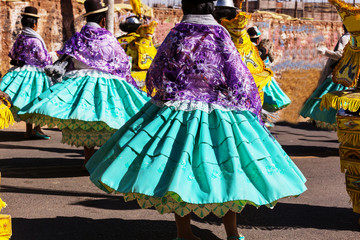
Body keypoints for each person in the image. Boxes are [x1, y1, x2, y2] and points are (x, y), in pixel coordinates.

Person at [86, 0, 307, 239]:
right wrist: (246, 104)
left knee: (178, 171)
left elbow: (156, 72)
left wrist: (168, 92)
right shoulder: (219, 33)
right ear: (210, 8)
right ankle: (232, 233)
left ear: (184, 7)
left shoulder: (176, 33)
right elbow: (237, 74)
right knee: (228, 168)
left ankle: (184, 232)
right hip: (219, 109)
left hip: (177, 109)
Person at [18, 0, 149, 164]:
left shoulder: (77, 39)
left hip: (81, 83)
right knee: (107, 118)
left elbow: (66, 61)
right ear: (102, 20)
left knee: (86, 120)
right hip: (106, 85)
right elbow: (122, 63)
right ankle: (102, 159)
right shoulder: (108, 39)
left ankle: (87, 159)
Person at [0, 6, 52, 139]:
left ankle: (29, 130)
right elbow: (42, 58)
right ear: (34, 24)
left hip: (21, 72)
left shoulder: (21, 38)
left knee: (26, 100)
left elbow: (13, 54)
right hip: (35, 73)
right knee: (36, 100)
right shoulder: (35, 39)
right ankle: (37, 128)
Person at [300, 25, 350, 129]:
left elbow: (340, 54)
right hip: (351, 76)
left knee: (325, 99)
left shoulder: (346, 37)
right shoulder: (355, 38)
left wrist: (325, 51)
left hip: (340, 75)